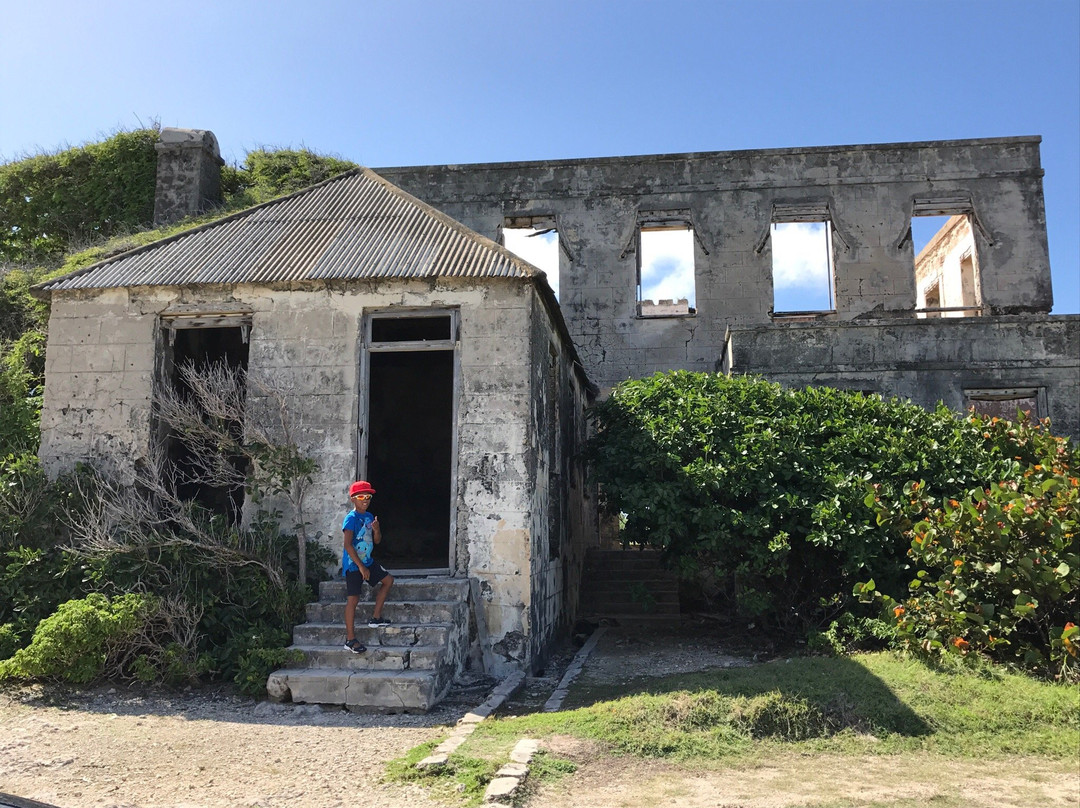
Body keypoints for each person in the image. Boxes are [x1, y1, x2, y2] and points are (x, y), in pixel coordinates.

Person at [341, 480, 395, 653]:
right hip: (353, 565)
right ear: (353, 499)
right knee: (353, 600)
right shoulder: (351, 519)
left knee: (388, 580)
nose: (365, 500)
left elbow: (376, 541)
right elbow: (348, 545)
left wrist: (377, 529)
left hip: (367, 561)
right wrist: (361, 567)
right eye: (361, 497)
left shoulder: (369, 517)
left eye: (368, 497)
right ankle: (350, 640)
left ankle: (376, 618)